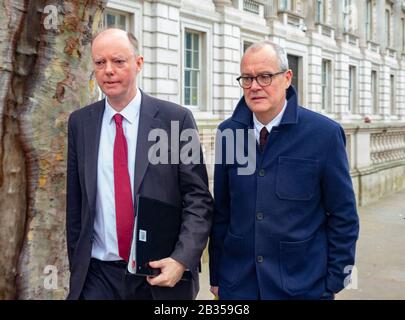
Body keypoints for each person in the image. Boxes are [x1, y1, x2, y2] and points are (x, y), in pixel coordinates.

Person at [66, 28, 213, 300]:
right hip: (97, 276)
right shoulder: (80, 123)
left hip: (159, 275)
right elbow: (75, 204)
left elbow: (199, 200)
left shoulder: (176, 120)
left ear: (139, 63)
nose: (108, 70)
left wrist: (181, 260)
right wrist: (78, 266)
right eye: (100, 63)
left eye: (119, 61)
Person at [208, 41, 359, 300]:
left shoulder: (324, 135)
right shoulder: (228, 133)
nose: (255, 86)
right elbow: (222, 211)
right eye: (247, 78)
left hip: (303, 287)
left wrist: (334, 281)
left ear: (287, 78)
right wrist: (216, 276)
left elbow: (343, 216)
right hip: (238, 286)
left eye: (265, 77)